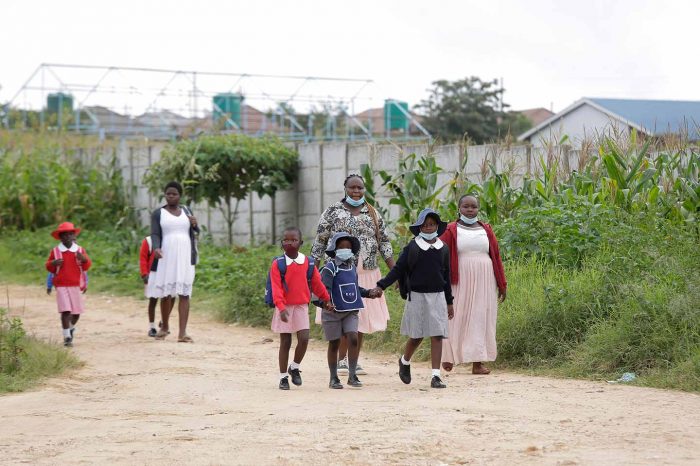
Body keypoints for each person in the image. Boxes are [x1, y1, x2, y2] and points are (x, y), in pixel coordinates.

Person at [311, 174, 395, 375]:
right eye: (352, 188)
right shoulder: (332, 211)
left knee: (360, 320)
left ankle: (352, 360)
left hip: (366, 273)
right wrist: (311, 273)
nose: (356, 192)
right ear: (345, 188)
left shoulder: (372, 213)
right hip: (339, 273)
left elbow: (383, 242)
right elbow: (320, 242)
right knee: (341, 314)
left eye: (360, 188)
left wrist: (395, 271)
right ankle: (340, 359)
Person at [376, 208, 454, 389]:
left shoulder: (443, 249)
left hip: (438, 297)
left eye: (432, 224)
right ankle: (405, 361)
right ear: (419, 227)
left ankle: (436, 376)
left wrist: (449, 301)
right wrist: (381, 285)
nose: (429, 228)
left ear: (437, 226)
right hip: (417, 296)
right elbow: (398, 270)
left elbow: (446, 276)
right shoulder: (413, 247)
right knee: (417, 336)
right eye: (425, 225)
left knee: (437, 335)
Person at [439, 195, 507, 374]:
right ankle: (448, 357)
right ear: (459, 208)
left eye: (474, 207)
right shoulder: (451, 229)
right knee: (455, 316)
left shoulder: (486, 229)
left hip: (485, 278)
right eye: (466, 206)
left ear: (478, 209)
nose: (470, 210)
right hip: (459, 278)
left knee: (480, 318)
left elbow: (496, 257)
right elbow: (439, 254)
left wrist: (502, 284)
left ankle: (477, 364)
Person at [316, 232, 383, 389]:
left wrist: (368, 293)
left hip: (351, 310)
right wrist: (327, 303)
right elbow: (324, 289)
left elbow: (354, 288)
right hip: (332, 312)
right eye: (341, 247)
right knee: (334, 343)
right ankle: (334, 377)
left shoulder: (352, 267)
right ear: (334, 249)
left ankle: (352, 375)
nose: (345, 249)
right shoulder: (330, 268)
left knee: (353, 337)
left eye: (348, 247)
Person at [270, 226, 333, 390]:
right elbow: (276, 288)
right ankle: (283, 377)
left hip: (301, 306)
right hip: (283, 307)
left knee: (304, 338)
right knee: (285, 341)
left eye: (294, 240)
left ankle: (295, 367)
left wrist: (326, 299)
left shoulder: (308, 262)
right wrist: (281, 307)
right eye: (286, 240)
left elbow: (317, 284)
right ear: (281, 243)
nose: (289, 243)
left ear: (301, 243)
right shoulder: (278, 264)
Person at [147, 181, 199, 343]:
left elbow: (196, 231)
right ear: (165, 195)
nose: (171, 196)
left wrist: (195, 224)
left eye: (174, 194)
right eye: (168, 194)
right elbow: (155, 234)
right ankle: (165, 328)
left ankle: (182, 333)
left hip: (185, 255)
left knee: (184, 293)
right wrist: (156, 248)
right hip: (167, 256)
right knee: (166, 294)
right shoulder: (158, 213)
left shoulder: (186, 211)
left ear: (180, 196)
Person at [45, 222, 92, 347]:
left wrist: (84, 259)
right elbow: (49, 267)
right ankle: (67, 337)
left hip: (76, 285)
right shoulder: (55, 251)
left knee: (76, 313)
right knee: (65, 311)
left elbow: (87, 266)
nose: (67, 237)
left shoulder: (80, 250)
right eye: (64, 235)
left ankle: (70, 329)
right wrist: (53, 263)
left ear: (73, 236)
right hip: (61, 285)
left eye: (70, 234)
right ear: (60, 237)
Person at [139, 235, 159, 337]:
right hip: (153, 274)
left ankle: (164, 322)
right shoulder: (149, 240)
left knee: (170, 298)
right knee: (153, 300)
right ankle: (152, 327)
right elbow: (143, 258)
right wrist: (144, 274)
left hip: (168, 273)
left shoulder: (169, 238)